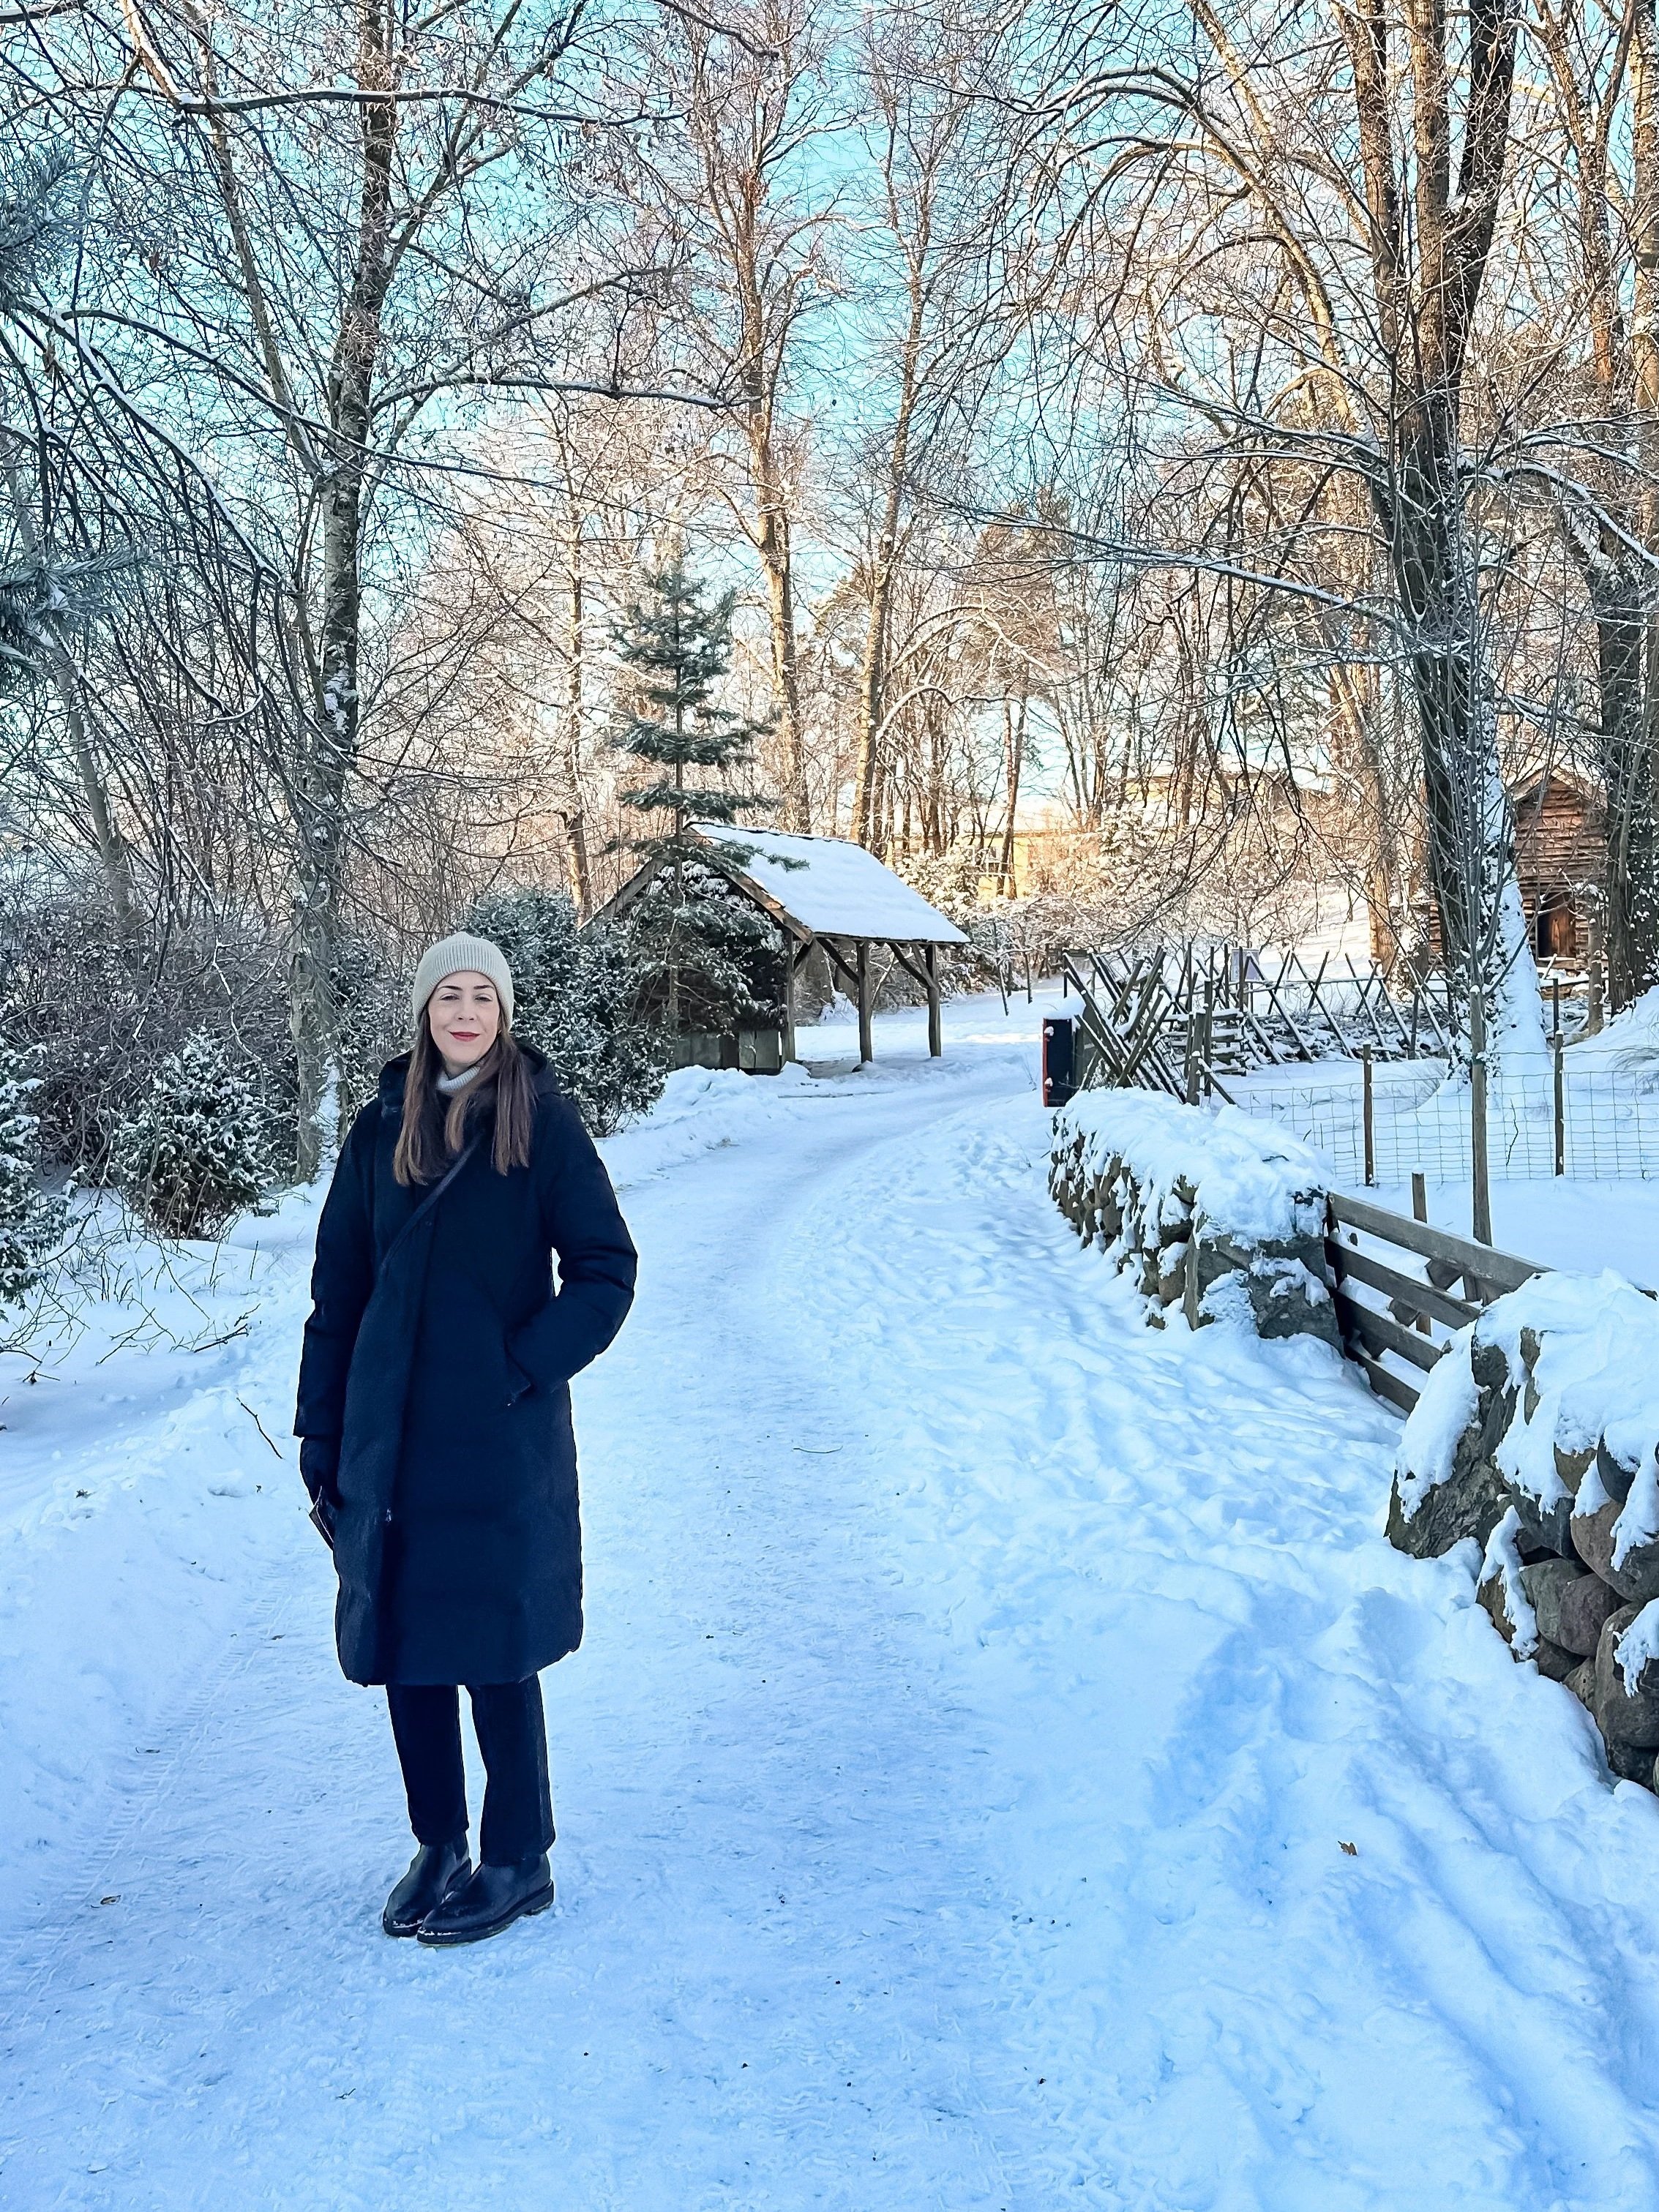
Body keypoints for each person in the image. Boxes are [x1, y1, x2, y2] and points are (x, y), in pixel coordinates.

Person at [293, 931, 637, 1945]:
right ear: (425, 1010)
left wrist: (519, 1367)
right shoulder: (379, 1128)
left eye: (483, 994)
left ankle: (520, 1858)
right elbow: (338, 1291)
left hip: (494, 1440)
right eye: (450, 994)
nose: (466, 1012)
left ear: (506, 1011)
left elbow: (607, 1268)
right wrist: (321, 1430)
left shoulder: (542, 1122)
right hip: (387, 1433)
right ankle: (439, 1842)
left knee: (494, 1647)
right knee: (408, 1647)